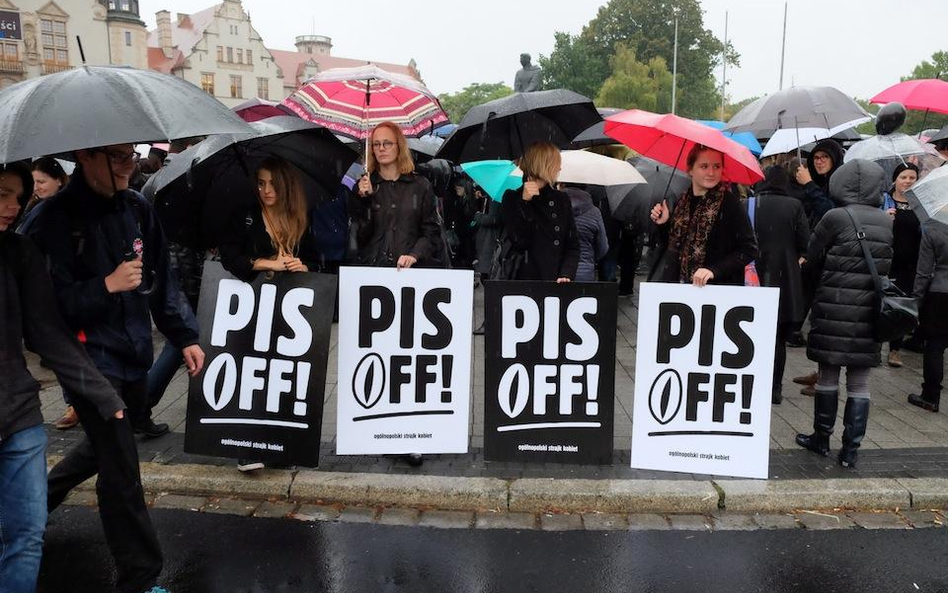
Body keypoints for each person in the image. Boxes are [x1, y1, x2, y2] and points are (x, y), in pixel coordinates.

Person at [26, 143, 205, 593]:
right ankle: (139, 578)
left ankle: (26, 512)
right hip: (87, 364)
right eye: (118, 156)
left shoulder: (136, 206)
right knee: (121, 469)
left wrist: (184, 335)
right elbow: (44, 310)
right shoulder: (53, 220)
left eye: (130, 154)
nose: (129, 163)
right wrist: (104, 286)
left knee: (104, 447)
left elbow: (160, 277)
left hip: (133, 354)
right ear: (87, 157)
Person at [0, 162, 126, 593]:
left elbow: (47, 333)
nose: (13, 207)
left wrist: (102, 393)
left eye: (18, 196)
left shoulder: (18, 253)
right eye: (2, 194)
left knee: (26, 536)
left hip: (19, 418)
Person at [219, 156, 319, 472]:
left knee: (284, 376)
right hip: (253, 303)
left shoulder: (300, 216)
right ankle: (247, 446)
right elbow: (229, 256)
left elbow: (316, 259)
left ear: (285, 185)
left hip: (291, 309)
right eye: (261, 183)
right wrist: (266, 263)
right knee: (254, 373)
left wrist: (302, 266)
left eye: (272, 183)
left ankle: (280, 445)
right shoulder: (244, 214)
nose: (266, 190)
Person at [795, 159, 893, 469]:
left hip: (834, 305)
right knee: (860, 382)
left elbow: (811, 257)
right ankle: (850, 451)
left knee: (827, 376)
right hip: (869, 312)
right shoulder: (888, 222)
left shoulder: (834, 217)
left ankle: (821, 440)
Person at [649, 145, 758, 286]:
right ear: (690, 169)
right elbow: (671, 247)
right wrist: (663, 224)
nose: (711, 172)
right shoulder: (681, 202)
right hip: (679, 288)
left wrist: (714, 270)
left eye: (717, 166)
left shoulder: (731, 203)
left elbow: (749, 249)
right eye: (704, 166)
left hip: (717, 291)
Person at [750, 166, 810, 404]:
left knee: (753, 335)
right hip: (784, 280)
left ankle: (753, 382)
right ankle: (774, 388)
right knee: (777, 340)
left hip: (754, 277)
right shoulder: (794, 205)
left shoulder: (751, 204)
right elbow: (806, 242)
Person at [791, 140, 846, 391]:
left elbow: (831, 216)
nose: (819, 161)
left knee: (823, 323)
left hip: (831, 265)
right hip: (811, 262)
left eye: (825, 157)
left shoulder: (839, 186)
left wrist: (810, 186)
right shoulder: (813, 185)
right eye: (816, 157)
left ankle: (824, 378)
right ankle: (820, 374)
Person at [352, 121, 443, 270]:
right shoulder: (363, 186)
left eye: (387, 143)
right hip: (372, 268)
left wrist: (414, 255)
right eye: (376, 144)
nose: (381, 148)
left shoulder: (420, 185)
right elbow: (360, 237)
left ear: (399, 146)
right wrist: (366, 199)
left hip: (410, 270)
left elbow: (431, 232)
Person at [501, 141, 579, 283]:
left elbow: (572, 244)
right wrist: (525, 203)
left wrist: (566, 273)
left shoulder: (561, 199)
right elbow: (519, 241)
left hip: (557, 283)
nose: (559, 168)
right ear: (544, 166)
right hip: (525, 285)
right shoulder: (512, 198)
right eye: (556, 163)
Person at [881, 163, 921, 368]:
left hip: (910, 265)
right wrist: (883, 218)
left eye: (912, 177)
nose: (907, 181)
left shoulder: (920, 205)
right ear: (895, 179)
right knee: (879, 303)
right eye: (903, 177)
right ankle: (874, 346)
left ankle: (894, 350)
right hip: (887, 261)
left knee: (900, 306)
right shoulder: (884, 200)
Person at [908, 219, 948, 413]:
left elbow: (923, 272)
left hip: (940, 292)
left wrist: (916, 301)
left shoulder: (933, 229)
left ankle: (931, 396)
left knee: (935, 346)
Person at [562, 185, 608, 282]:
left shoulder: (554, 209)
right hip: (584, 273)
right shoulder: (595, 212)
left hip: (558, 271)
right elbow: (603, 248)